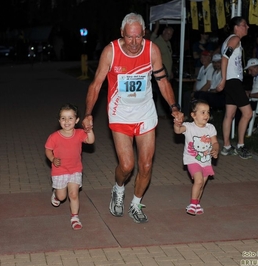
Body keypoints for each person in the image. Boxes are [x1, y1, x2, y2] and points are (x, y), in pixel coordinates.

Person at [82, 13, 183, 224]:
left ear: (144, 33)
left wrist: (174, 107)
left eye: (139, 37)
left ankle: (136, 203)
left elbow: (163, 81)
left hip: (145, 113)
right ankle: (118, 189)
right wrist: (88, 113)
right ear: (122, 34)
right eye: (130, 37)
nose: (135, 43)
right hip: (120, 114)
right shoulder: (111, 52)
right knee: (127, 166)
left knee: (145, 166)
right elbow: (96, 85)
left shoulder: (151, 50)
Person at [45, 103, 95, 230]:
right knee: (62, 197)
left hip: (75, 170)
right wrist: (52, 159)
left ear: (77, 120)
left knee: (73, 194)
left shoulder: (79, 133)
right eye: (63, 118)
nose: (67, 121)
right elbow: (48, 150)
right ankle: (56, 195)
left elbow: (90, 141)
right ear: (59, 120)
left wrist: (89, 130)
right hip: (59, 170)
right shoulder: (54, 136)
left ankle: (75, 217)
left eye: (70, 118)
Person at [174, 99, 219, 215]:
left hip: (206, 161)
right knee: (198, 181)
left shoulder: (210, 128)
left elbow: (215, 143)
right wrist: (177, 124)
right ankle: (193, 204)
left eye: (208, 112)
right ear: (193, 115)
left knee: (201, 184)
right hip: (192, 160)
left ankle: (197, 203)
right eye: (203, 112)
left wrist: (215, 150)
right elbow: (178, 131)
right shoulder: (189, 127)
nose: (206, 115)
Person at [216, 16, 253, 159]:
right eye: (244, 25)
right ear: (236, 27)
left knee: (229, 114)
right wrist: (224, 79)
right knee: (247, 113)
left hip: (231, 80)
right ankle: (240, 146)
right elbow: (225, 58)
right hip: (233, 81)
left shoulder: (230, 40)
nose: (247, 27)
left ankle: (226, 146)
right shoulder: (235, 39)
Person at [151, 20, 175, 117]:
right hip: (159, 74)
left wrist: (171, 71)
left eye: (171, 34)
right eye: (168, 33)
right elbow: (151, 43)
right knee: (158, 94)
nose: (169, 35)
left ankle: (162, 113)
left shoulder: (168, 43)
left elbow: (169, 58)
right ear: (163, 32)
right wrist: (156, 27)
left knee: (165, 93)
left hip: (167, 74)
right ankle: (156, 113)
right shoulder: (158, 42)